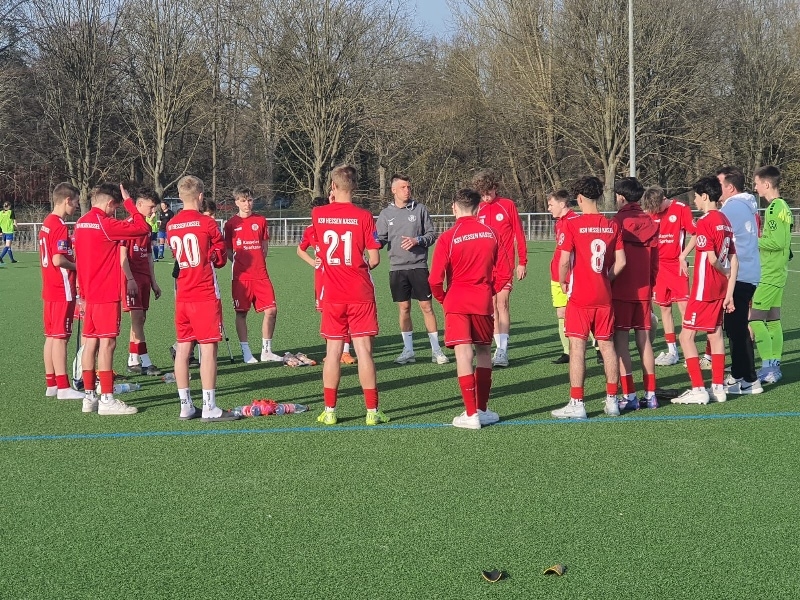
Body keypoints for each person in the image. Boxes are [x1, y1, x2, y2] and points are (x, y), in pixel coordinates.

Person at [312, 164, 387, 426]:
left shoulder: (318, 214)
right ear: (354, 186)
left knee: (333, 351)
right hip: (359, 292)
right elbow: (374, 259)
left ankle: (330, 411)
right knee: (364, 351)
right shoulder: (364, 216)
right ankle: (372, 412)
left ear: (333, 186)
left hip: (332, 293)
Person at [74, 183, 151, 415]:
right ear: (109, 203)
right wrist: (130, 203)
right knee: (107, 344)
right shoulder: (105, 224)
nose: (115, 212)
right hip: (105, 294)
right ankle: (107, 398)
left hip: (88, 294)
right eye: (115, 207)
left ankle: (89, 397)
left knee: (90, 344)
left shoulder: (80, 222)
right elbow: (143, 228)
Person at [551, 176, 625, 420]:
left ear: (580, 198)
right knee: (607, 346)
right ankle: (612, 401)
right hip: (604, 295)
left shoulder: (572, 225)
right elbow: (621, 262)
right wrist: (605, 279)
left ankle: (577, 402)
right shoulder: (612, 225)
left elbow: (564, 261)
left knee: (577, 347)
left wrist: (563, 281)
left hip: (580, 297)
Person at [429, 188, 502, 429]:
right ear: (478, 208)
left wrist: (444, 299)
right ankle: (482, 410)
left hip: (457, 301)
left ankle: (471, 414)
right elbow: (503, 271)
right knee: (484, 351)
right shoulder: (491, 233)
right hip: (482, 300)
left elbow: (434, 280)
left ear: (454, 207)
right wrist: (489, 290)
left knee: (463, 354)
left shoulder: (448, 237)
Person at [168, 175, 239, 422]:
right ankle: (209, 406)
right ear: (200, 197)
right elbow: (220, 259)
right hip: (204, 293)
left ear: (180, 197)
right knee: (208, 348)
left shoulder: (172, 224)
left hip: (182, 294)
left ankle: (185, 405)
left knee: (183, 348)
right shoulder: (207, 223)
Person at [672, 176, 741, 405]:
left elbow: (712, 259)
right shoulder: (725, 220)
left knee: (686, 336)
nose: (694, 200)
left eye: (696, 196)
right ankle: (718, 388)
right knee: (715, 334)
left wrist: (722, 270)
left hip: (704, 289)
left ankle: (698, 388)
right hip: (720, 289)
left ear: (704, 196)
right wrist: (729, 291)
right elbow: (734, 260)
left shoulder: (705, 221)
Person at [375, 174, 447, 365]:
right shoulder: (385, 214)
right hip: (397, 269)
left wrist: (418, 240)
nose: (407, 190)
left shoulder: (420, 209)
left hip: (418, 266)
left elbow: (431, 235)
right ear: (393, 190)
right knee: (404, 308)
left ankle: (436, 350)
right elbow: (379, 239)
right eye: (403, 187)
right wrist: (368, 246)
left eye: (408, 187)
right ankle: (408, 350)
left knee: (426, 307)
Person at [611, 178, 660, 410]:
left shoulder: (617, 222)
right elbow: (655, 262)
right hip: (643, 289)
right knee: (644, 341)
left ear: (621, 197)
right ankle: (651, 394)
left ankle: (629, 395)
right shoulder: (650, 222)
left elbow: (612, 258)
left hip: (621, 288)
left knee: (621, 341)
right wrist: (650, 285)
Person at [472, 170, 528, 367]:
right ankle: (497, 347)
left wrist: (522, 261)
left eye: (488, 192)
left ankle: (503, 350)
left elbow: (519, 233)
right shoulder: (477, 208)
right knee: (491, 306)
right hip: (483, 266)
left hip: (504, 265)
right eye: (482, 193)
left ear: (495, 188)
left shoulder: (507, 205)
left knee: (502, 304)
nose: (486, 196)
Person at [223, 186, 282, 364]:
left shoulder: (261, 220)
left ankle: (266, 351)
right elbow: (228, 250)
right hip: (241, 277)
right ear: (236, 202)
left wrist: (258, 262)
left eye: (249, 200)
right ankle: (246, 352)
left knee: (271, 310)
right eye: (243, 200)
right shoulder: (231, 224)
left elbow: (264, 246)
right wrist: (240, 264)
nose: (247, 204)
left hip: (261, 275)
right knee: (241, 313)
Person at [716, 166, 761, 392]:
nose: (716, 190)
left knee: (736, 328)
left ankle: (747, 378)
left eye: (719, 185)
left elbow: (715, 231)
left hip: (740, 274)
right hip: (748, 272)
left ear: (730, 187)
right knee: (737, 327)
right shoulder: (745, 205)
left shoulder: (732, 207)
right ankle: (743, 375)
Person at [297, 195, 356, 364]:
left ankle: (345, 351)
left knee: (344, 312)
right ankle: (332, 351)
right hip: (322, 279)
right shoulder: (310, 230)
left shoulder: (338, 225)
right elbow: (300, 250)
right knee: (328, 315)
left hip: (340, 276)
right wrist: (312, 262)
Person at [641, 186, 696, 366]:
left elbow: (695, 234)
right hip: (658, 267)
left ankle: (689, 350)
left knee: (684, 307)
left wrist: (683, 256)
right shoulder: (650, 212)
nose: (655, 212)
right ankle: (673, 351)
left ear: (663, 199)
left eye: (656, 208)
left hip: (676, 267)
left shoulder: (681, 208)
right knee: (664, 308)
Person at [40, 182, 84, 400]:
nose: (76, 206)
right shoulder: (58, 225)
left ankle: (52, 384)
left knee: (51, 336)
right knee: (60, 337)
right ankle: (64, 386)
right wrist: (79, 266)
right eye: (75, 202)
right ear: (67, 200)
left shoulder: (47, 223)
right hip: (61, 288)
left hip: (50, 288)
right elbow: (58, 259)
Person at [749, 165, 792, 386]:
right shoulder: (782, 206)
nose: (755, 188)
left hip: (769, 273)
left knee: (755, 320)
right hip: (778, 272)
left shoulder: (775, 208)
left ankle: (767, 366)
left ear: (766, 184)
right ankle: (774, 366)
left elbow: (777, 242)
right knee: (773, 321)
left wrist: (752, 241)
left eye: (757, 184)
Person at [121, 187, 163, 376]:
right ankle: (145, 361)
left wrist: (154, 282)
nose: (153, 211)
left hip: (144, 278)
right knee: (137, 318)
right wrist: (130, 279)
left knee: (140, 319)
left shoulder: (145, 227)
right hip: (132, 279)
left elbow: (148, 256)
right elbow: (122, 255)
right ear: (138, 205)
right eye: (150, 207)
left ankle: (133, 359)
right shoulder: (127, 225)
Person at [546, 189, 578, 364]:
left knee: (581, 312)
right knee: (561, 312)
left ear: (562, 203)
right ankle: (567, 352)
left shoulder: (575, 221)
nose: (549, 208)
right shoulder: (559, 223)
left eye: (551, 204)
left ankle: (598, 349)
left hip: (573, 276)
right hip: (557, 275)